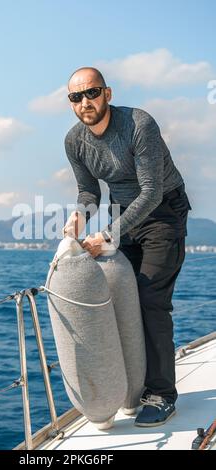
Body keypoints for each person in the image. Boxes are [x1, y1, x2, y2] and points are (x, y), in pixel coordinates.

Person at [62, 66, 192, 427]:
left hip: (164, 210)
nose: (85, 102)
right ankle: (131, 387)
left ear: (108, 93)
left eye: (92, 92)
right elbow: (89, 192)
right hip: (124, 216)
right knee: (122, 296)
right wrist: (78, 221)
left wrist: (106, 235)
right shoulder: (75, 141)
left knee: (151, 300)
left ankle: (162, 394)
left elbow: (150, 192)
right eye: (76, 97)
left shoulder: (138, 124)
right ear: (70, 103)